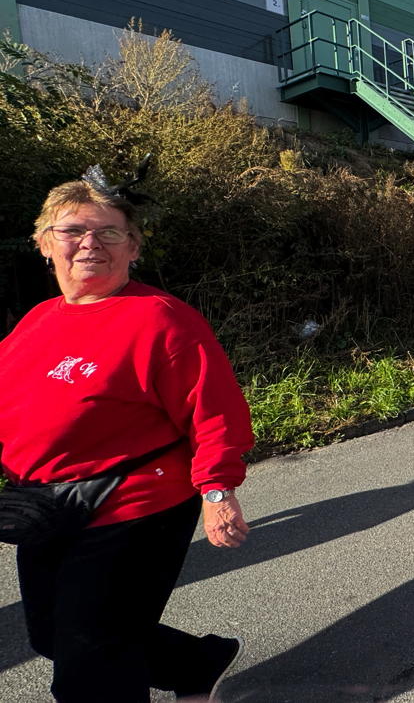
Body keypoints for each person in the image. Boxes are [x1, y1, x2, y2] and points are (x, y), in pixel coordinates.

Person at [0, 177, 254, 702]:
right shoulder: (36, 320)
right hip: (47, 504)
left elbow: (215, 412)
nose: (90, 243)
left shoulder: (160, 320)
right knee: (51, 635)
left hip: (136, 504)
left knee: (89, 662)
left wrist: (217, 491)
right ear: (45, 243)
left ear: (133, 248)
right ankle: (195, 664)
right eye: (72, 230)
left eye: (110, 234)